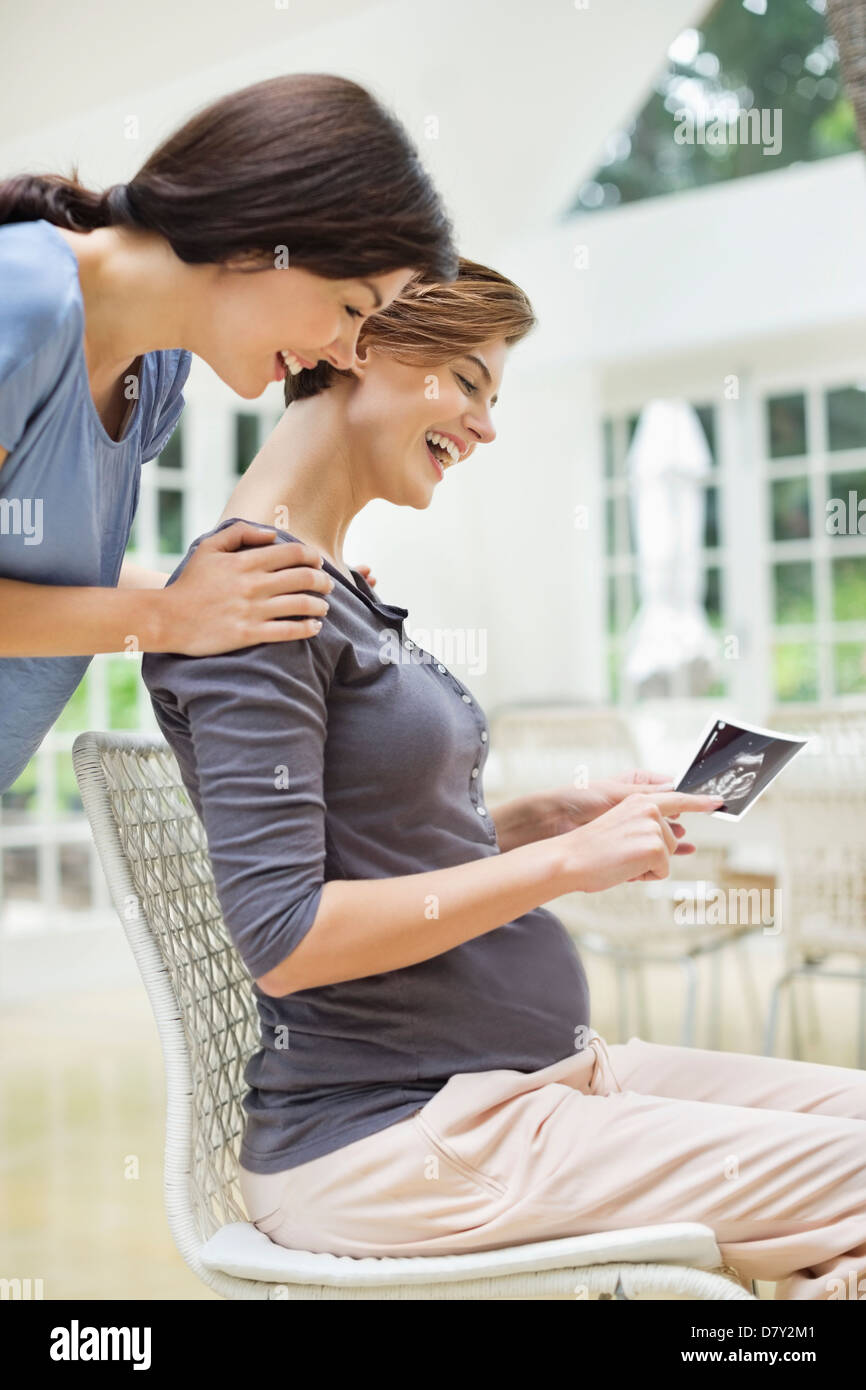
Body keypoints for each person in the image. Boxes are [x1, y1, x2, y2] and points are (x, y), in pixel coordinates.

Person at [142, 262, 866, 1301]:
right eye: (466, 380)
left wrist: (530, 825)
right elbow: (289, 939)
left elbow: (375, 845)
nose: (483, 425)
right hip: (403, 1137)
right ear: (353, 342)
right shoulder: (254, 593)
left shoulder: (325, 586)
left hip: (534, 1087)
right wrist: (565, 866)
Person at [0, 71, 457, 792]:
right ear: (264, 236)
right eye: (349, 309)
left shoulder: (153, 373)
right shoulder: (20, 302)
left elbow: (45, 570)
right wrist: (170, 615)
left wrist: (263, 593)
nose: (345, 353)